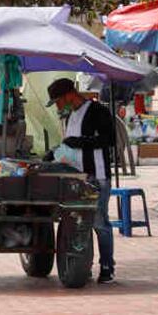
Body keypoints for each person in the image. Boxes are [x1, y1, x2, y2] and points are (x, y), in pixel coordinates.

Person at [46, 78, 118, 284]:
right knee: (79, 222)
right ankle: (84, 265)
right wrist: (56, 152)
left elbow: (109, 139)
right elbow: (70, 146)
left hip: (97, 176)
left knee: (99, 222)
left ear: (70, 94)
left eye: (58, 101)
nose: (58, 107)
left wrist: (80, 142)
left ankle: (107, 266)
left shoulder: (97, 111)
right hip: (77, 177)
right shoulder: (71, 116)